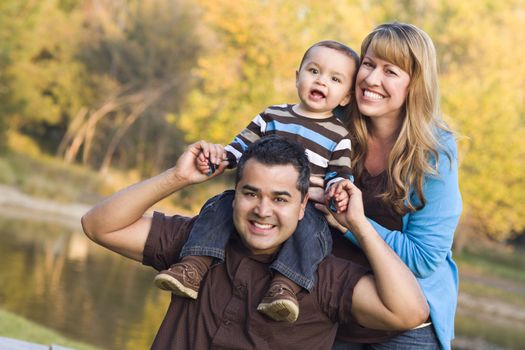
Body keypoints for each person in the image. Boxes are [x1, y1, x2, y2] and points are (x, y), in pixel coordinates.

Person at [81, 136, 429, 349]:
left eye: (280, 199)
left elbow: (409, 312)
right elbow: (99, 225)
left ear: (302, 204)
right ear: (234, 195)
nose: (262, 211)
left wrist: (358, 224)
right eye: (251, 194)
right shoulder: (197, 245)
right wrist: (178, 177)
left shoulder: (323, 278)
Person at [153, 40, 360, 323]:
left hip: (303, 207)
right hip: (256, 196)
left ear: (346, 97)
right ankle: (193, 266)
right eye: (314, 71)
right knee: (220, 204)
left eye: (335, 79)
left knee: (313, 231)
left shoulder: (339, 136)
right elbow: (238, 149)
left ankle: (285, 287)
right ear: (297, 75)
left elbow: (339, 176)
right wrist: (217, 158)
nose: (321, 81)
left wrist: (338, 192)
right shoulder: (272, 116)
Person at [324, 23, 462, 350]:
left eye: (391, 71)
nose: (372, 79)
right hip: (337, 305)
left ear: (414, 84)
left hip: (406, 323)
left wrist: (352, 225)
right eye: (369, 64)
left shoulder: (435, 153)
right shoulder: (332, 124)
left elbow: (424, 258)